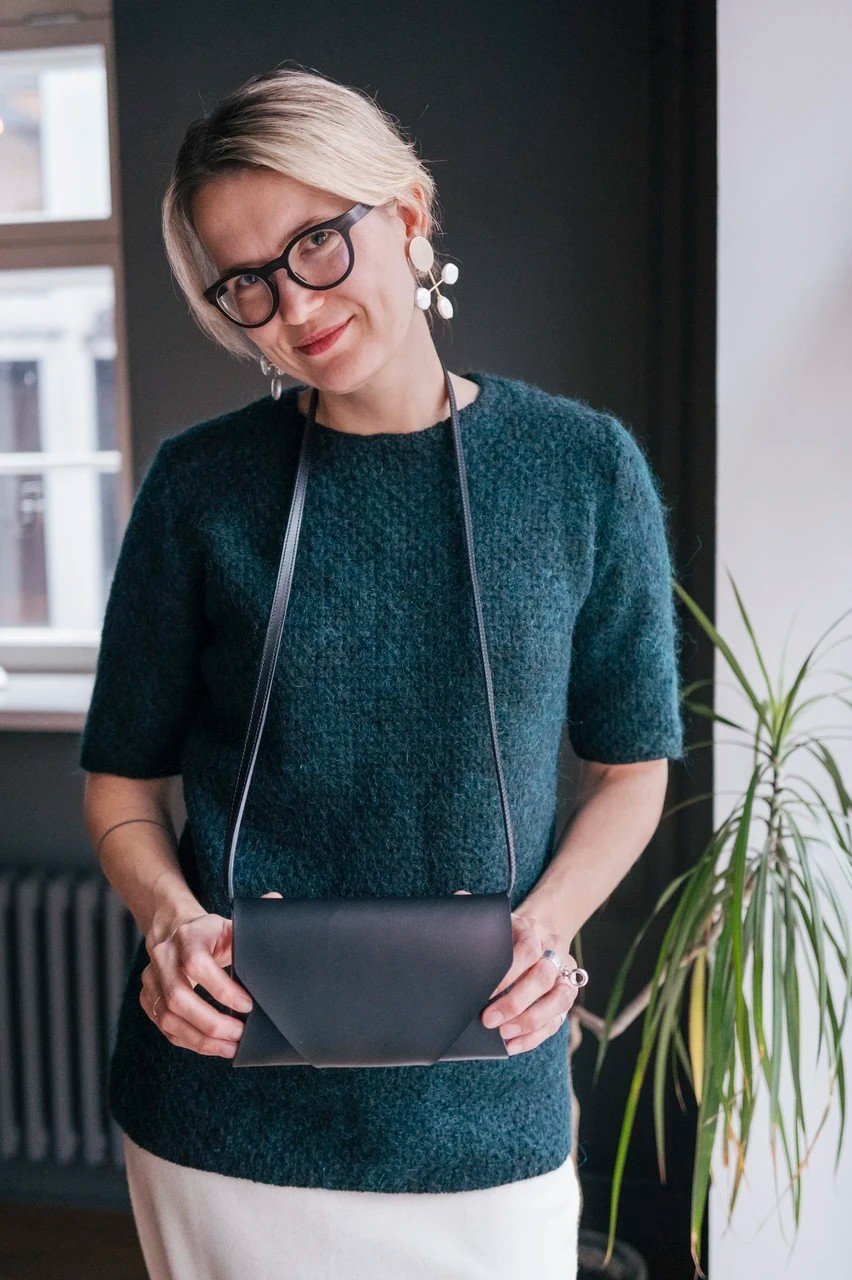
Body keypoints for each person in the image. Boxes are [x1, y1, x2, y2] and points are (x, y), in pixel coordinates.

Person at [78, 64, 685, 1280]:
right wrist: (171, 919)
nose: (289, 306)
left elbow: (633, 766)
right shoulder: (200, 488)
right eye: (243, 281)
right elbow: (122, 783)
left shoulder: (580, 470)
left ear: (405, 216)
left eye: (315, 244)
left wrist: (548, 927)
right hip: (223, 1106)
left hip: (486, 1115)